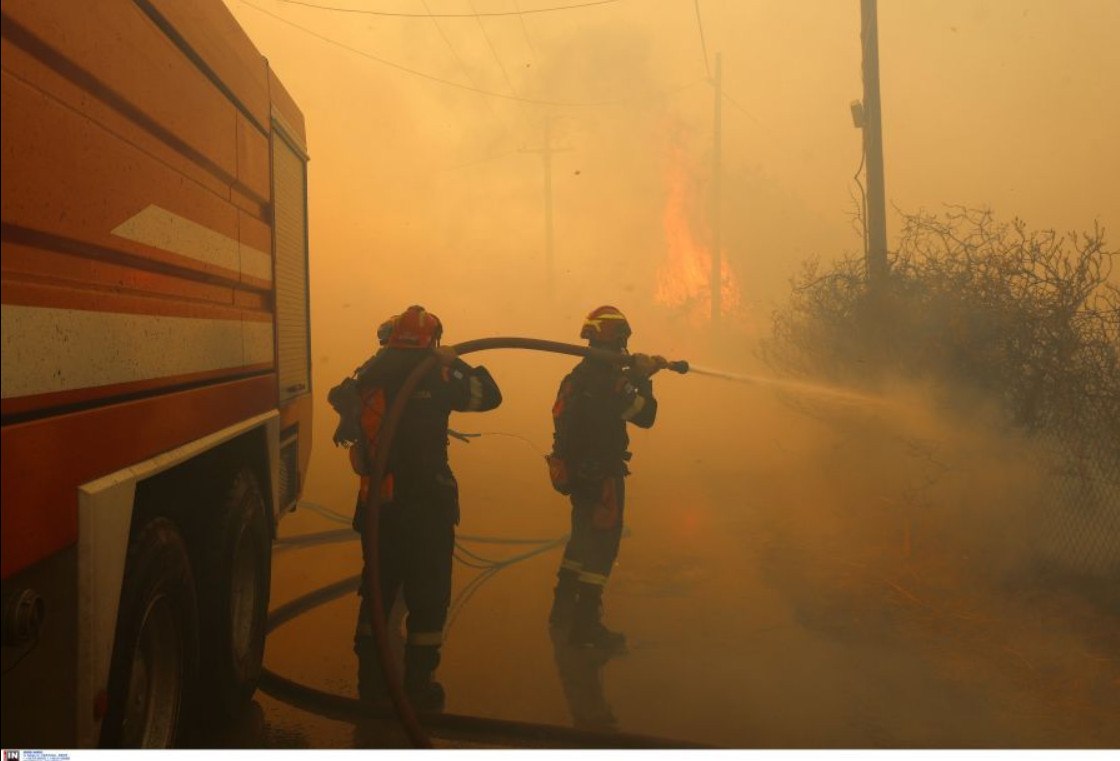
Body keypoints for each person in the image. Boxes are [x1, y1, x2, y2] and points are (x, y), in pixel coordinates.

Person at [351, 305, 502, 711]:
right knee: (428, 596)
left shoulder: (371, 371)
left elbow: (349, 421)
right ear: (432, 340)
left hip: (378, 507)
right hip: (424, 508)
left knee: (378, 592)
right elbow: (489, 395)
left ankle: (370, 680)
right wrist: (454, 361)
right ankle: (417, 687)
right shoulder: (436, 372)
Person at [547, 305, 663, 651]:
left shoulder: (577, 375)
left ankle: (562, 608)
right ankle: (586, 628)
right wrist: (642, 377)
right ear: (619, 339)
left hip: (578, 475)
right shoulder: (611, 381)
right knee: (601, 547)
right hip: (602, 479)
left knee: (581, 537)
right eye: (624, 341)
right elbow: (646, 415)